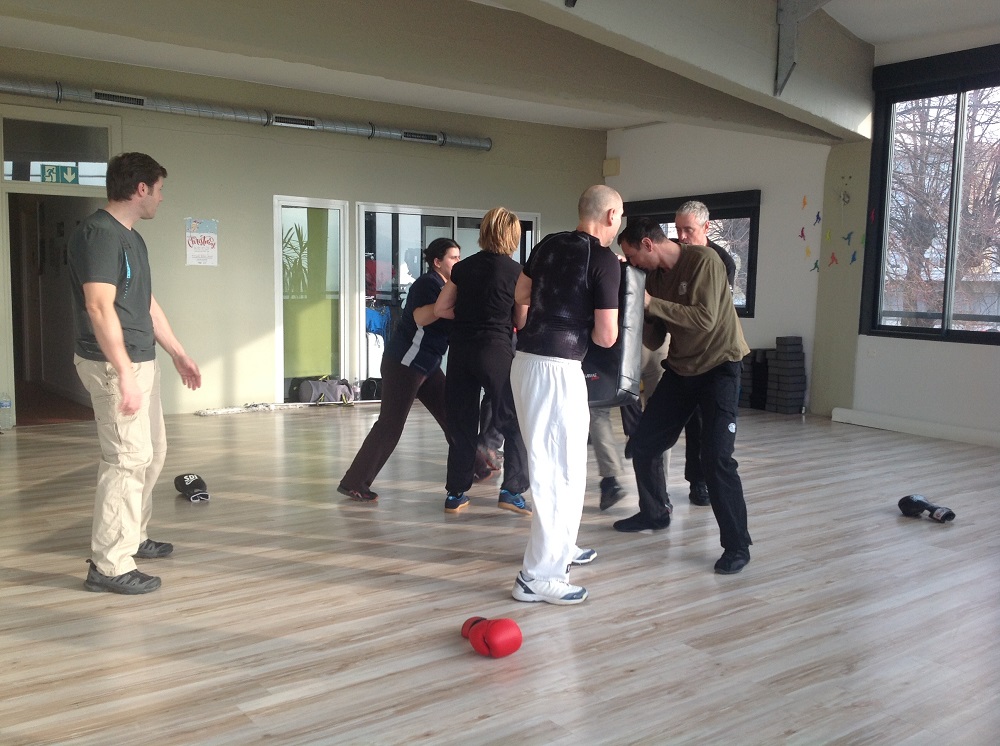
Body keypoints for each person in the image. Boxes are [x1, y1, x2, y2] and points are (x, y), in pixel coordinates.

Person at [69, 152, 202, 595]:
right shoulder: (99, 234)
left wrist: (178, 352)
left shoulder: (132, 237)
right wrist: (124, 371)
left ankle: (132, 536)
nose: (161, 198)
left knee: (152, 453)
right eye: (159, 189)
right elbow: (98, 305)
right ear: (141, 188)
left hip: (140, 360)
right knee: (126, 461)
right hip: (114, 364)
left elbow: (144, 302)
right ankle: (108, 565)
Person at [615, 217, 752, 575]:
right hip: (682, 370)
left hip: (721, 368)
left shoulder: (704, 261)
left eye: (631, 255)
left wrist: (650, 303)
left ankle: (737, 545)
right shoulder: (654, 278)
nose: (631, 263)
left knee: (717, 459)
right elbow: (656, 340)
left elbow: (705, 319)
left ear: (648, 244)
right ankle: (654, 512)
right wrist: (634, 308)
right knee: (643, 444)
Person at [509, 185, 623, 605]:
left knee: (564, 463)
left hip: (526, 363)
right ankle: (537, 576)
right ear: (611, 216)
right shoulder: (605, 260)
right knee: (558, 472)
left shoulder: (550, 244)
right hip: (557, 370)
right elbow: (607, 336)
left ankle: (562, 546)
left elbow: (521, 295)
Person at [338, 238, 462, 501]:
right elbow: (420, 318)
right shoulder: (428, 284)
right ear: (437, 262)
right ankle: (355, 482)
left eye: (459, 257)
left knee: (453, 415)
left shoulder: (448, 288)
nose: (458, 262)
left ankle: (476, 466)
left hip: (427, 365)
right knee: (391, 424)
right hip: (405, 364)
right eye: (453, 257)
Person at [433, 208, 530, 515]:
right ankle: (512, 490)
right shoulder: (517, 273)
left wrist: (467, 316)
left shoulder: (463, 268)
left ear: (484, 232)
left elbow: (441, 308)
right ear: (512, 236)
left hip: (461, 351)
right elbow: (521, 321)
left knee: (461, 421)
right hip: (496, 349)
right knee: (514, 420)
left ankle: (456, 493)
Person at [673, 201, 737, 507]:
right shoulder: (675, 256)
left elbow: (709, 313)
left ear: (706, 228)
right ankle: (697, 481)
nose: (683, 236)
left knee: (712, 427)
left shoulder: (722, 261)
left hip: (715, 354)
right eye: (679, 229)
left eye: (689, 230)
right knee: (693, 422)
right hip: (684, 356)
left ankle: (710, 479)